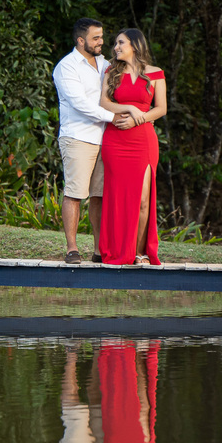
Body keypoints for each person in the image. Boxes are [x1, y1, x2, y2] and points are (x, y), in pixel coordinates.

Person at [52, 19, 134, 264]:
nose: (102, 42)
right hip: (78, 137)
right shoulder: (66, 67)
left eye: (102, 37)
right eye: (96, 38)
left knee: (99, 195)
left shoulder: (105, 65)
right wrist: (113, 116)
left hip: (106, 139)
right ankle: (72, 249)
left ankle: (99, 250)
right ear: (81, 40)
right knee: (75, 194)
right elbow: (81, 104)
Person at [98, 28, 168, 265]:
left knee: (143, 200)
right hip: (116, 141)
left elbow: (161, 109)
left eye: (120, 43)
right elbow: (104, 102)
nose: (115, 47)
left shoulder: (156, 73)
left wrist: (140, 118)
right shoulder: (112, 71)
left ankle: (139, 252)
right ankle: (118, 251)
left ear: (135, 45)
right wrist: (131, 109)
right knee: (117, 199)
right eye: (116, 43)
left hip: (143, 141)